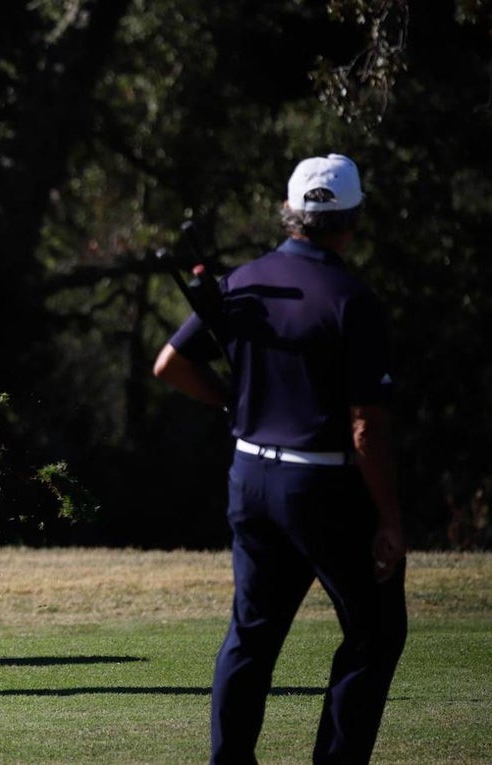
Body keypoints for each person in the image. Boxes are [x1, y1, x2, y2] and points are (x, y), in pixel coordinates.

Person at [152, 154, 408, 763]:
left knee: (252, 635)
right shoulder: (352, 298)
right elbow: (367, 427)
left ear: (290, 213)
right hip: (323, 487)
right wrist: (391, 518)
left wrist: (232, 402)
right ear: (354, 218)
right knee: (375, 634)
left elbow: (170, 365)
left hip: (251, 478)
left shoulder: (244, 282)